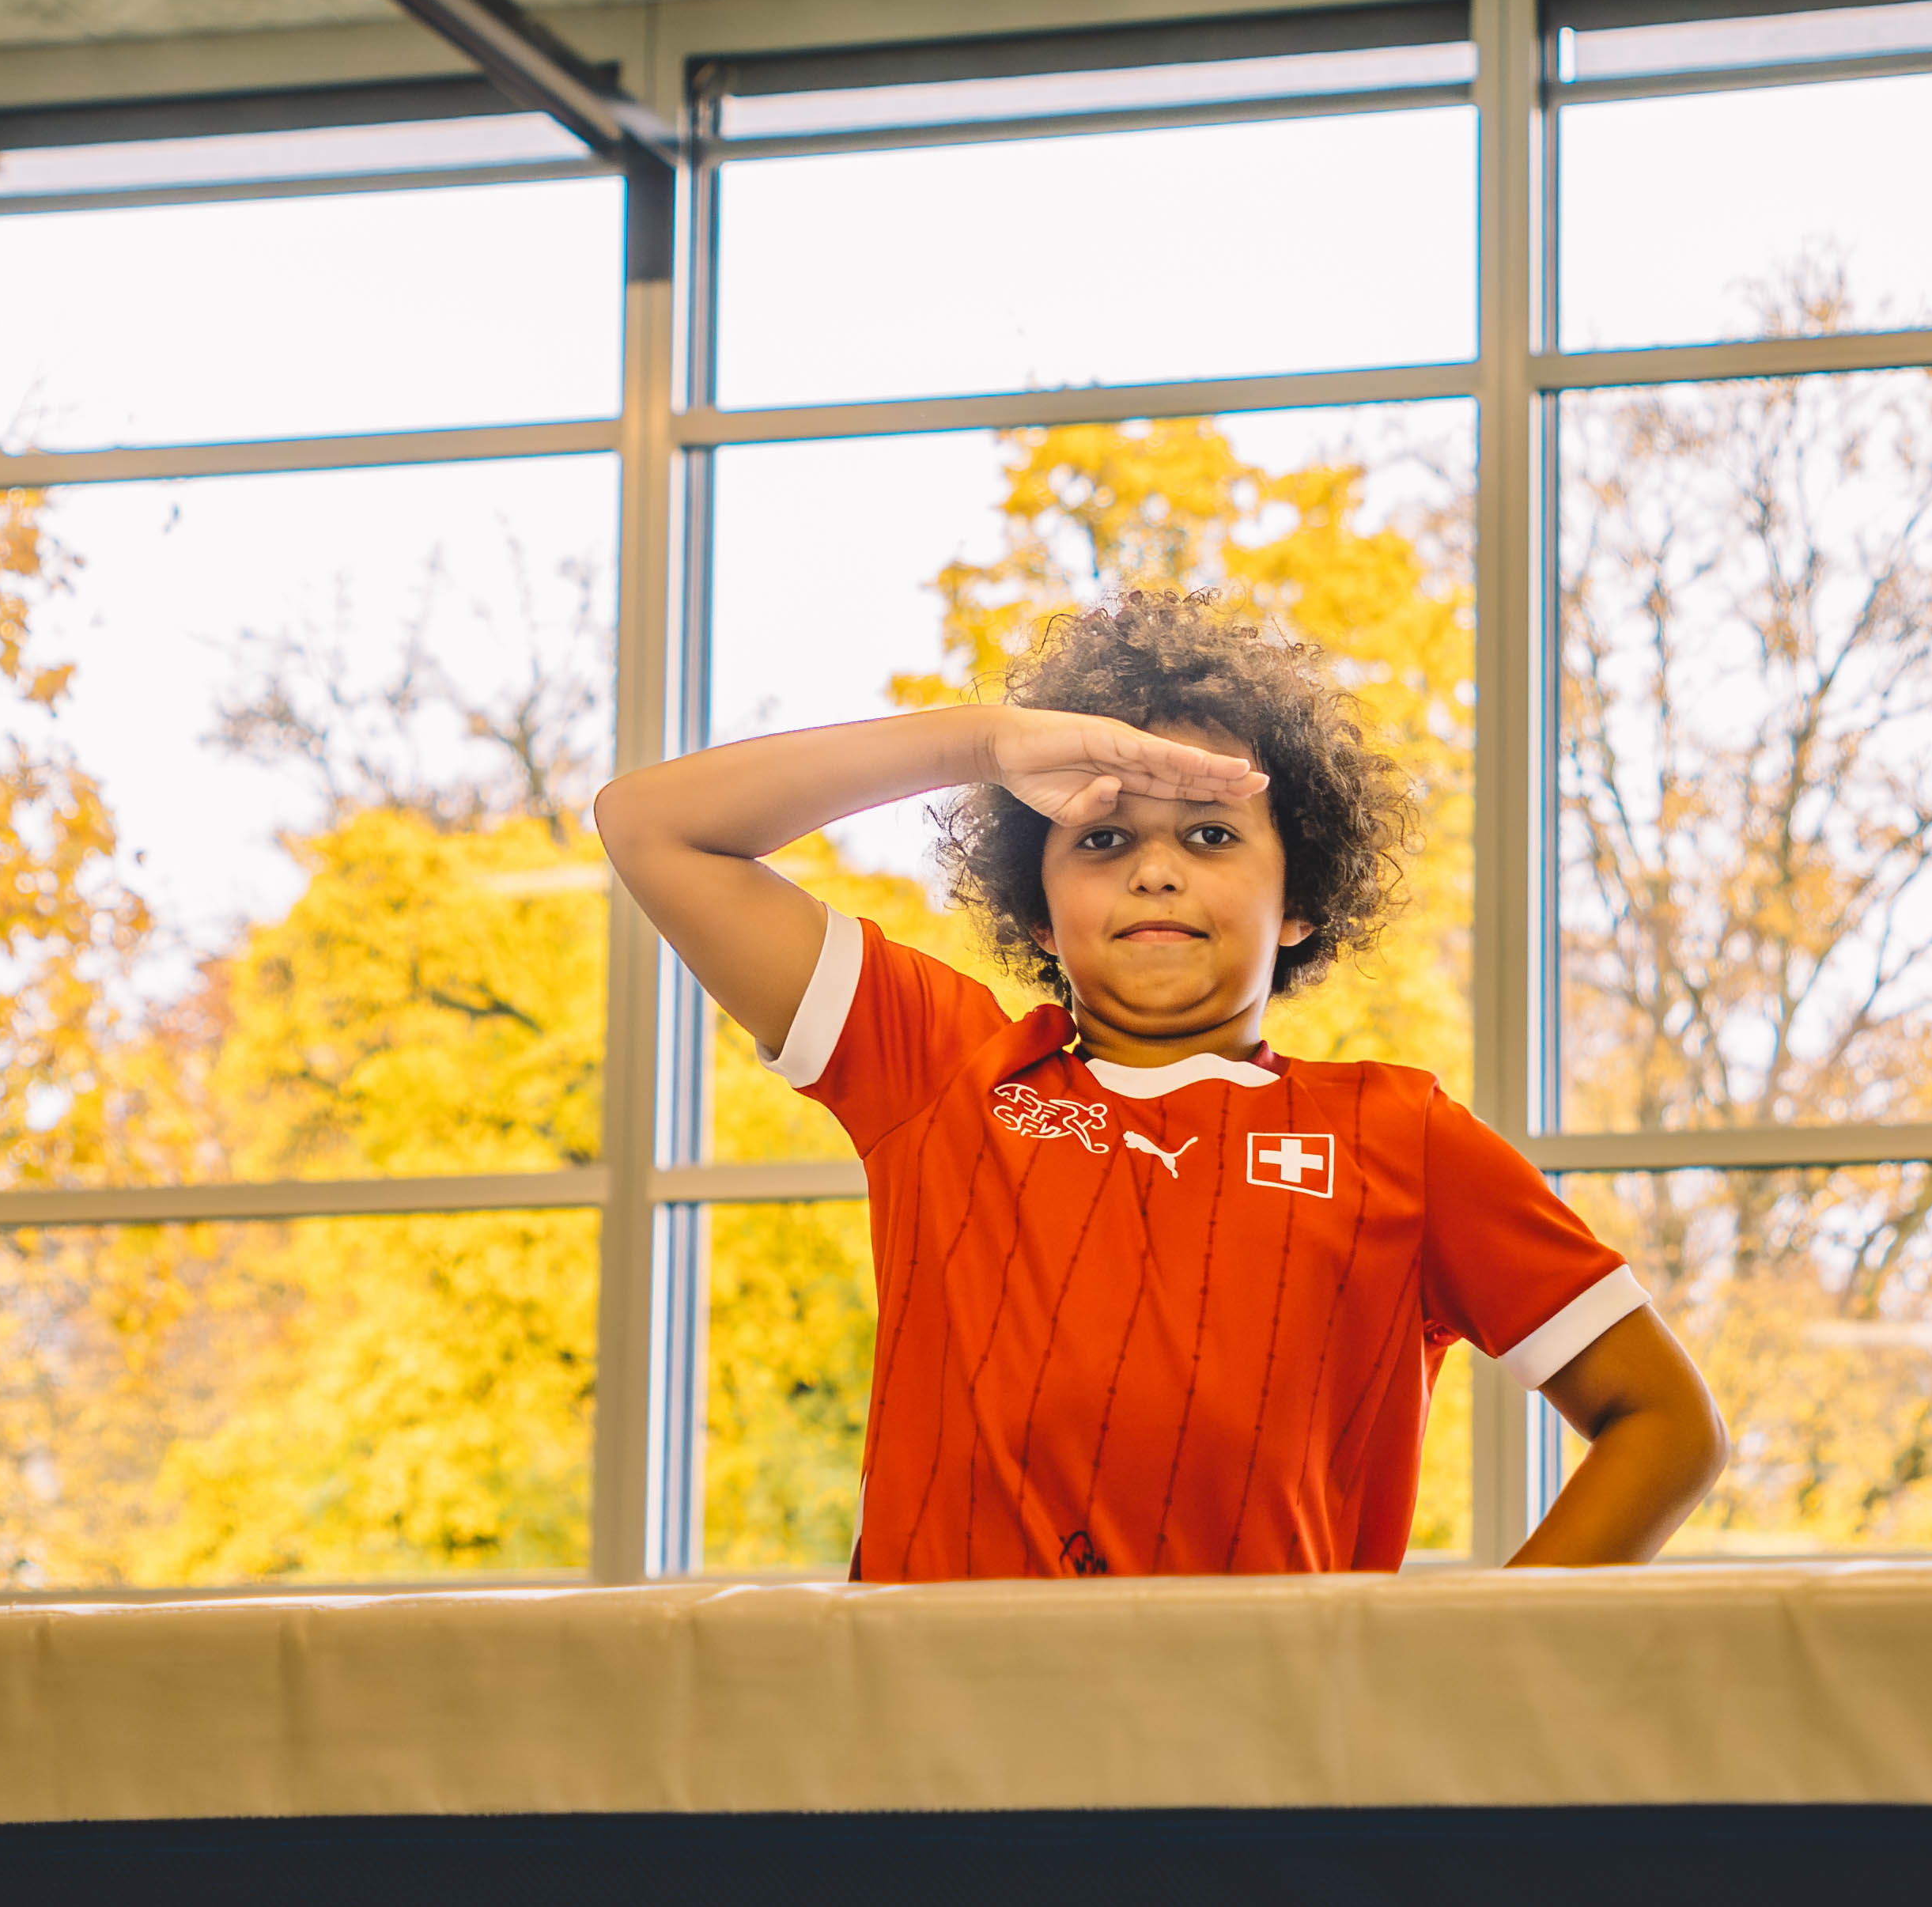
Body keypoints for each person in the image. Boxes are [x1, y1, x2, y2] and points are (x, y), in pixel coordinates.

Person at [593, 589, 1726, 1580]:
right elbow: (654, 827)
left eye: (1211, 834)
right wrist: (986, 743)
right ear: (1039, 911)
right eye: (1100, 840)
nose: (1155, 869)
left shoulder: (1399, 1137)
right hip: (935, 1735)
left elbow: (1668, 1424)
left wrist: (1474, 1670)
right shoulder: (939, 1070)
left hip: (1262, 1750)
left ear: (1300, 900)